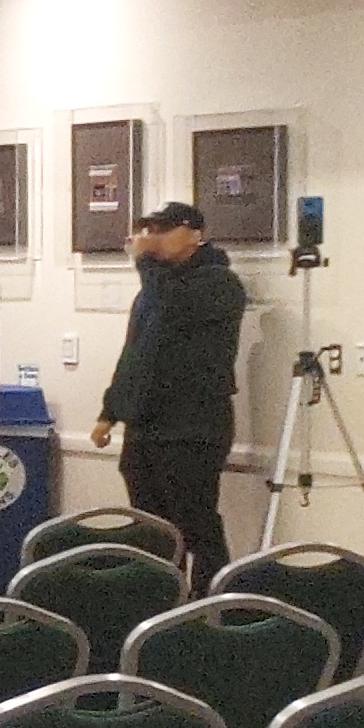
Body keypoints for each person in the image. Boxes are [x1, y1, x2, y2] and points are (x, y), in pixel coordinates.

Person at [97, 199, 249, 577]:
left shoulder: (219, 283)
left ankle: (213, 595)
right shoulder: (151, 291)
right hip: (146, 423)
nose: (154, 238)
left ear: (195, 235)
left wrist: (144, 262)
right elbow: (134, 353)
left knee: (194, 519)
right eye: (150, 230)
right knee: (151, 526)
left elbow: (174, 308)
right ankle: (164, 592)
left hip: (193, 425)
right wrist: (109, 411)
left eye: (165, 230)